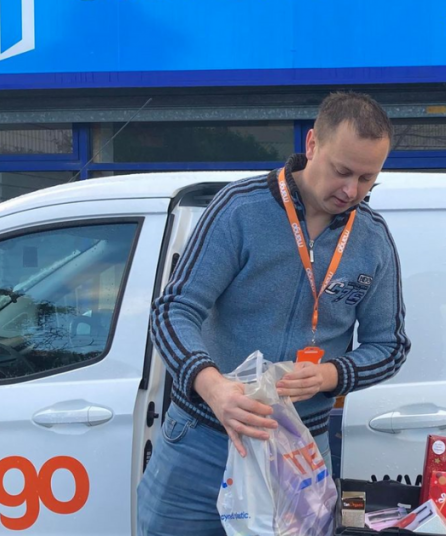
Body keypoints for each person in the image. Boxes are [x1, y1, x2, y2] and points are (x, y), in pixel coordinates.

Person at [137, 92, 411, 535]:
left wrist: (332, 375)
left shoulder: (373, 238)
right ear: (312, 144)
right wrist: (214, 388)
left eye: (367, 179)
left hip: (299, 451)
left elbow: (390, 346)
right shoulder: (239, 209)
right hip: (203, 441)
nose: (350, 191)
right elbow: (173, 311)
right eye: (342, 171)